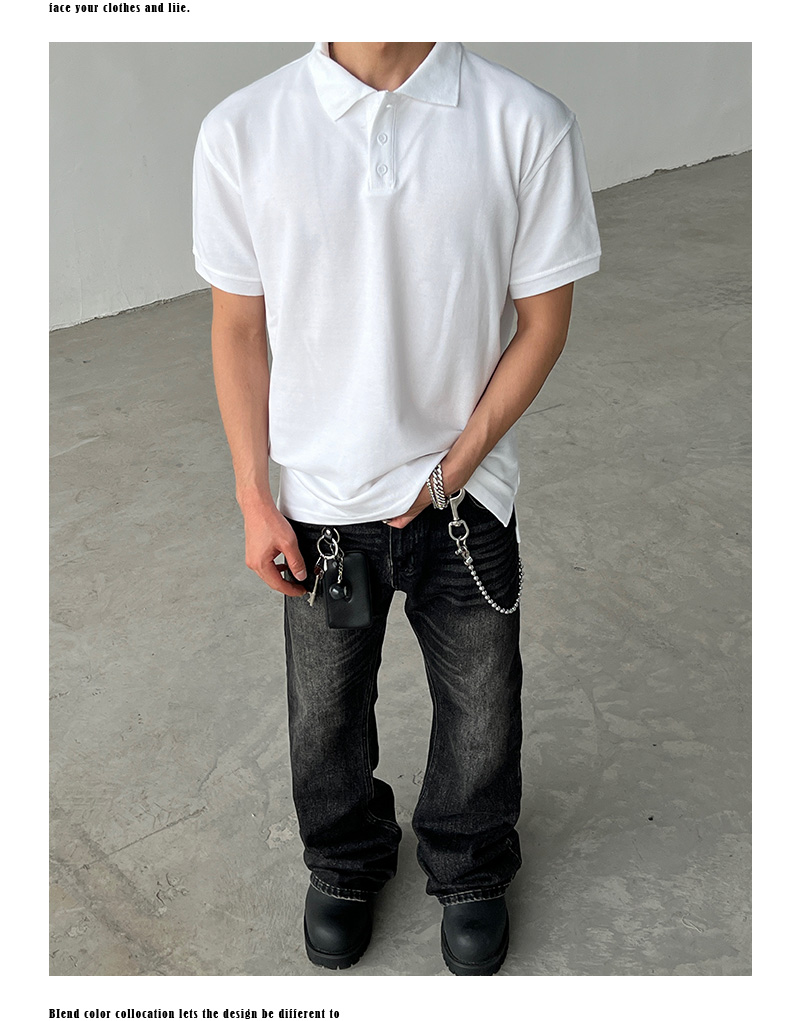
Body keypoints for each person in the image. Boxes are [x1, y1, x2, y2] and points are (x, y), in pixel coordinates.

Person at [193, 41, 601, 976]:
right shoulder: (243, 130)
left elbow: (544, 320)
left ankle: (470, 864)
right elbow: (238, 327)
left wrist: (455, 466)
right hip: (318, 505)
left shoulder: (525, 122)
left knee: (482, 708)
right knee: (324, 716)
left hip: (465, 498)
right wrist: (255, 496)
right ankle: (343, 860)